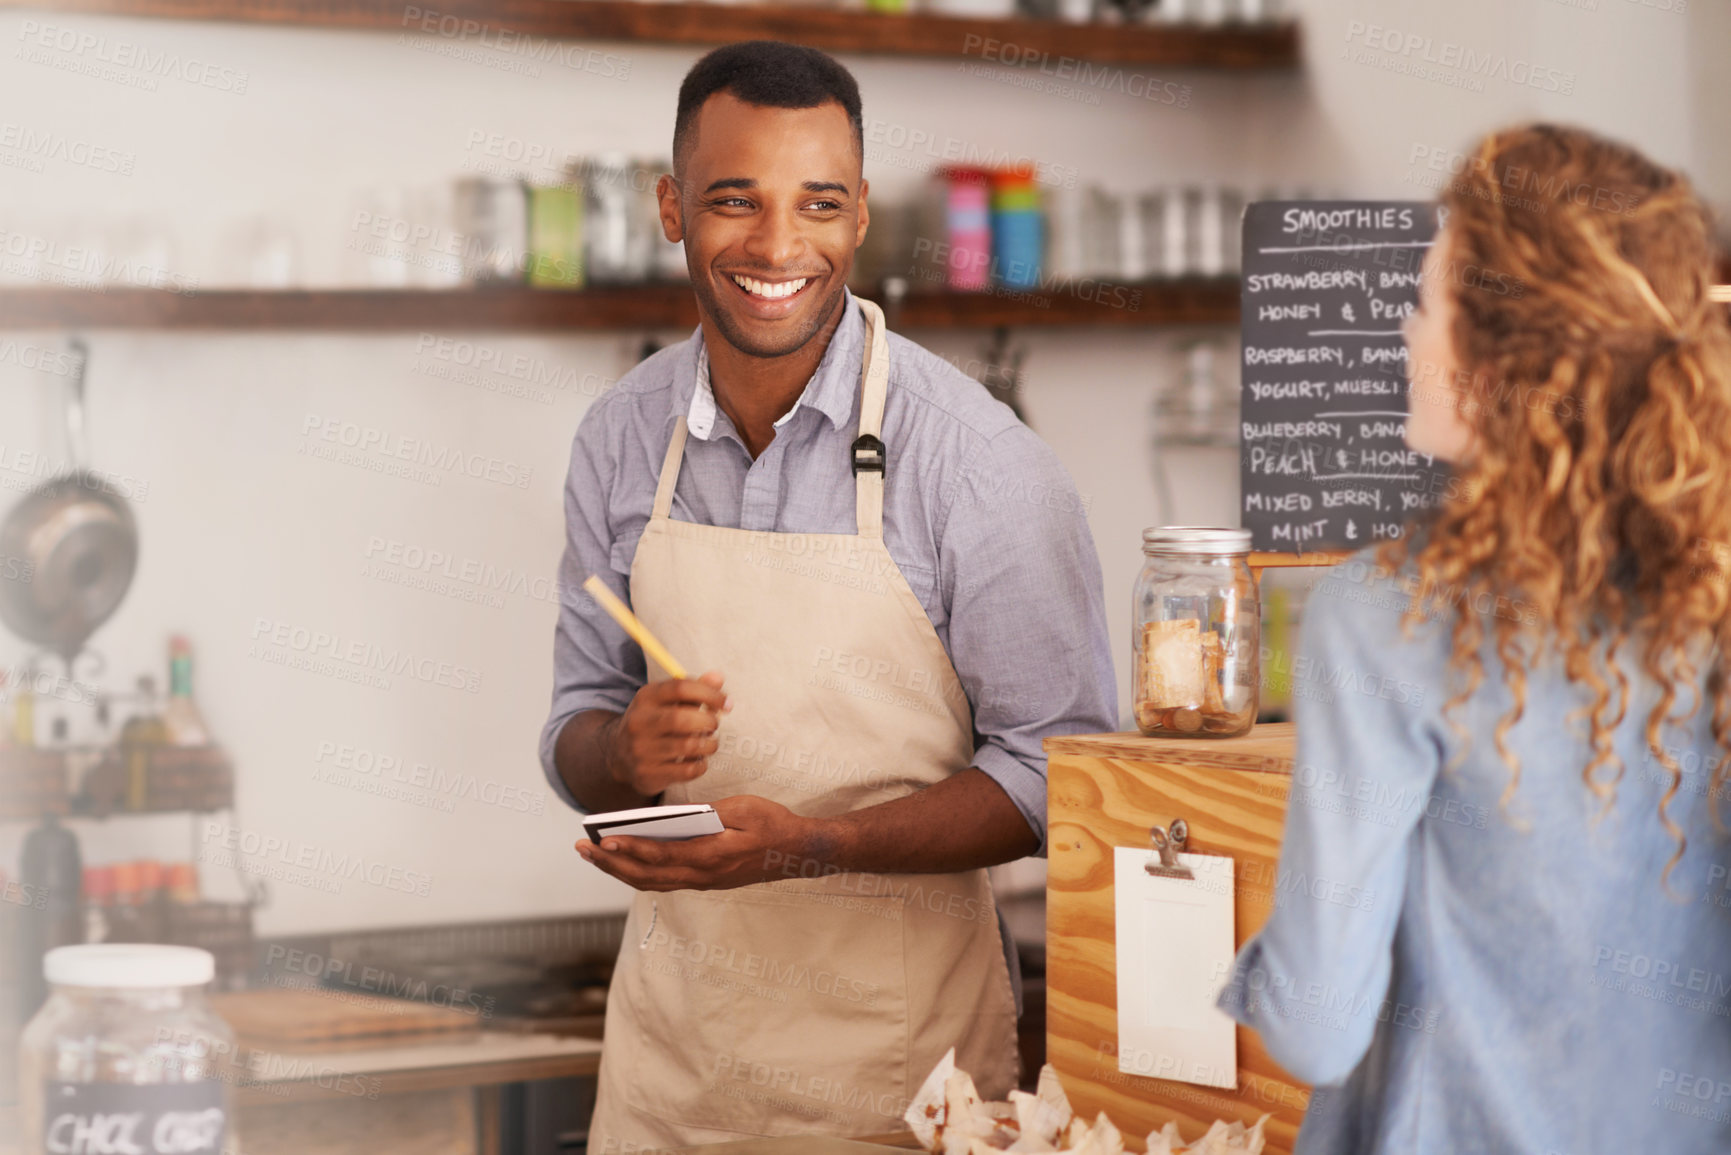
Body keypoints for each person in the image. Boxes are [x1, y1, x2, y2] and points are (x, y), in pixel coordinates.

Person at [538, 40, 1116, 1153]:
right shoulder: (619, 439)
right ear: (671, 208)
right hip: (672, 1080)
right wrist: (623, 755)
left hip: (902, 1088)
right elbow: (574, 730)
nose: (775, 245)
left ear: (859, 220)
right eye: (732, 201)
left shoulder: (980, 467)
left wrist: (810, 845)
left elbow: (1059, 776)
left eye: (818, 204)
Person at [1218, 123, 1731, 1153]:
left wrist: (1252, 972)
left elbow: (1316, 1030)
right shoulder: (1711, 593)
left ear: (1500, 359)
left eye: (1426, 303)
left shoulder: (1388, 614)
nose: (1404, 334)